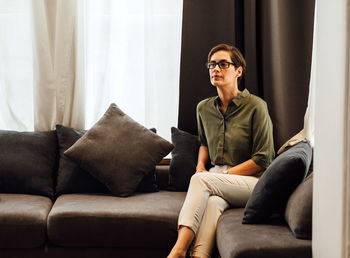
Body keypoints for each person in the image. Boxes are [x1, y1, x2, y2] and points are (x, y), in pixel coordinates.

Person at [167, 43, 275, 258]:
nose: (216, 69)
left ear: (238, 71)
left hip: (251, 180)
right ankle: (199, 255)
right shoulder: (204, 108)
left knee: (200, 181)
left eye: (223, 64)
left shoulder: (256, 106)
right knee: (213, 201)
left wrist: (218, 175)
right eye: (212, 65)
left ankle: (178, 251)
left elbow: (263, 159)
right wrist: (200, 166)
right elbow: (204, 143)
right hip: (217, 178)